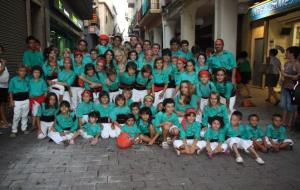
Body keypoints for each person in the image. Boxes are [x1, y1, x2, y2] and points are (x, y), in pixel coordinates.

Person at [280, 46, 300, 130]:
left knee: (291, 106)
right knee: (284, 105)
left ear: (292, 53)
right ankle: (283, 122)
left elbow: (298, 76)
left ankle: (290, 124)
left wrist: (287, 75)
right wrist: (282, 79)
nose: (286, 54)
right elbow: (284, 74)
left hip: (293, 88)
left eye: (287, 52)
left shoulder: (297, 64)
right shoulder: (287, 63)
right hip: (285, 86)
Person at [9, 65, 30, 137]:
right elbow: (11, 91)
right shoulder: (13, 80)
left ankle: (24, 128)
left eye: (24, 71)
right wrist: (11, 100)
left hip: (26, 100)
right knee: (16, 116)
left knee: (25, 115)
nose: (23, 72)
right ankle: (14, 130)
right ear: (17, 72)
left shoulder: (27, 79)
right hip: (17, 100)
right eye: (21, 71)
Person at [29, 66, 48, 130]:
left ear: (40, 74)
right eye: (35, 72)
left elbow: (45, 90)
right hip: (33, 99)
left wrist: (44, 96)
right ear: (32, 73)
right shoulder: (30, 81)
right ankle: (34, 125)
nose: (36, 74)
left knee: (38, 112)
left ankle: (35, 125)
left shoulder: (42, 81)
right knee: (34, 112)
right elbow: (28, 90)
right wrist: (30, 96)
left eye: (38, 72)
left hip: (40, 98)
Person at [0, 54, 10, 128]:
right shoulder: (2, 64)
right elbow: (1, 71)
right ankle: (4, 122)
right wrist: (3, 64)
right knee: (1, 105)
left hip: (4, 87)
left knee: (3, 105)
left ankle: (3, 121)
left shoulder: (2, 63)